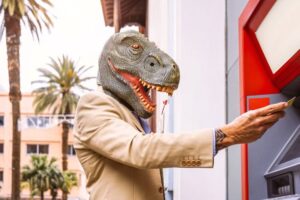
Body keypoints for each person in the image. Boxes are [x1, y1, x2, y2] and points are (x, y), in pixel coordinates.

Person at [73, 31, 287, 200]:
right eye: (135, 49)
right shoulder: (93, 105)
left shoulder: (129, 116)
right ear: (110, 62)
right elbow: (139, 149)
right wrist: (228, 134)